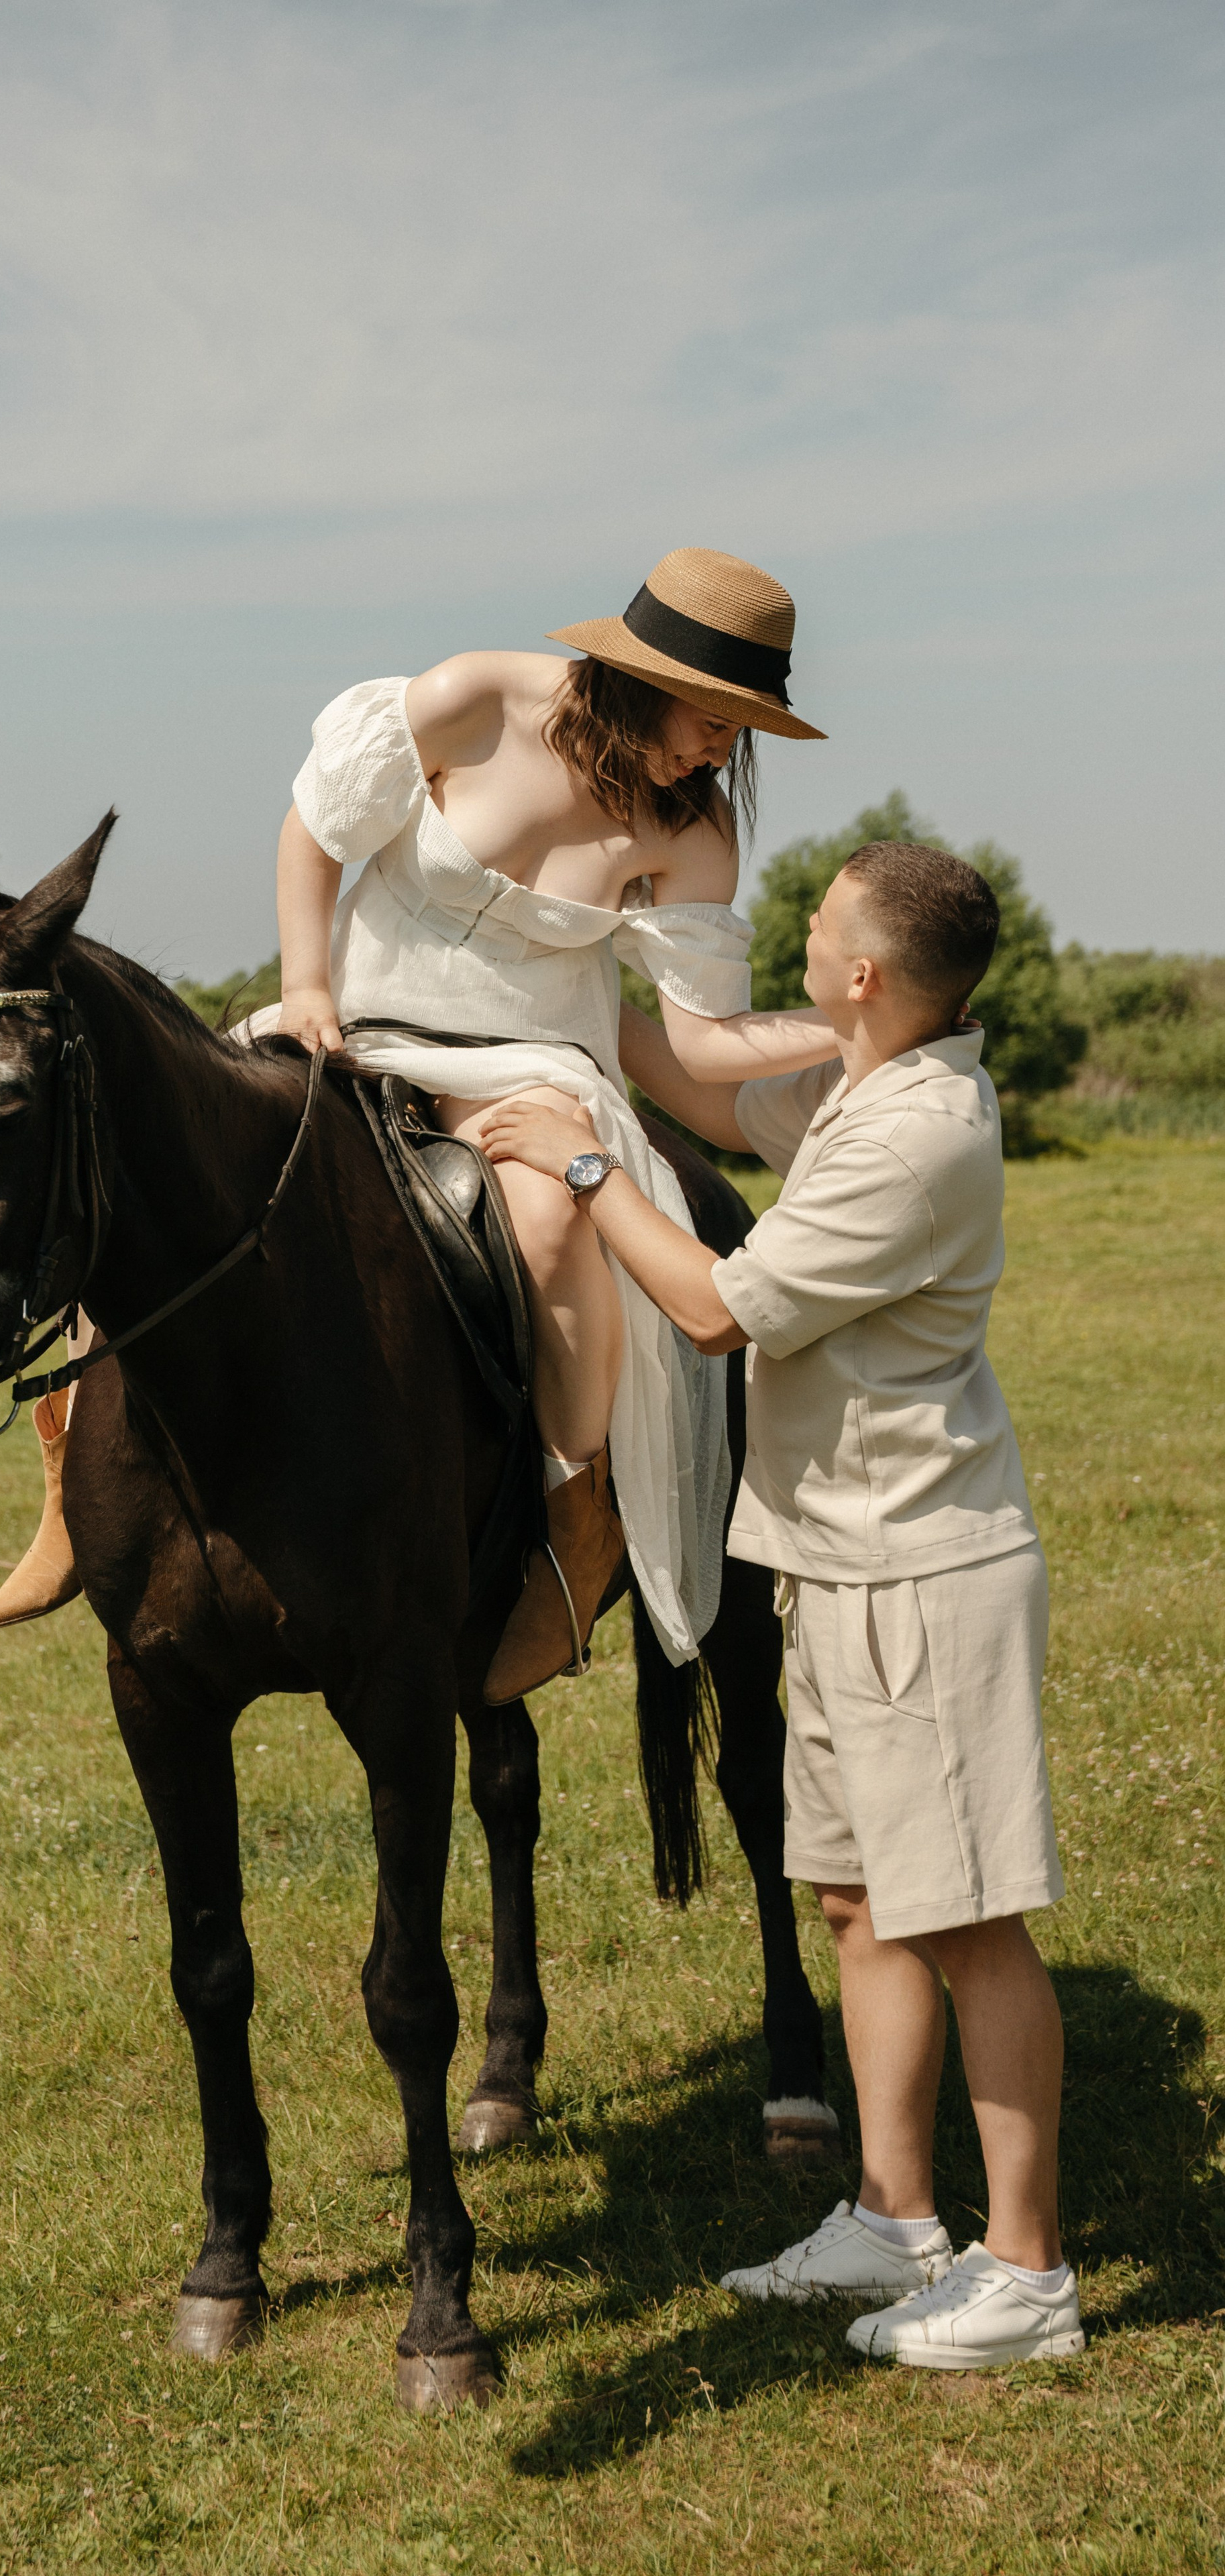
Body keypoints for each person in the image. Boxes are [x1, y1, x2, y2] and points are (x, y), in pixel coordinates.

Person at [0, 547, 844, 1671]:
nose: (721, 748)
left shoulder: (694, 833)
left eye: (742, 728)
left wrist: (862, 1025)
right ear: (639, 674)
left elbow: (698, 1045)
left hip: (536, 1065)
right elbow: (316, 834)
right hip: (358, 1030)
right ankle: (68, 1483)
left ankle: (573, 1532)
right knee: (162, 1154)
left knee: (549, 1231)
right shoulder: (471, 701)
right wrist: (305, 988)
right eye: (713, 715)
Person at [477, 841, 1083, 2370]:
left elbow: (704, 1303)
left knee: (970, 1922)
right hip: (836, 1556)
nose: (795, 938)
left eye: (815, 928)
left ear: (862, 974)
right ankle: (890, 2218)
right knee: (859, 1901)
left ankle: (1028, 2274)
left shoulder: (916, 1135)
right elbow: (683, 1079)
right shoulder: (863, 1078)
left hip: (921, 1569)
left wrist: (583, 1167)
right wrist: (561, 956)